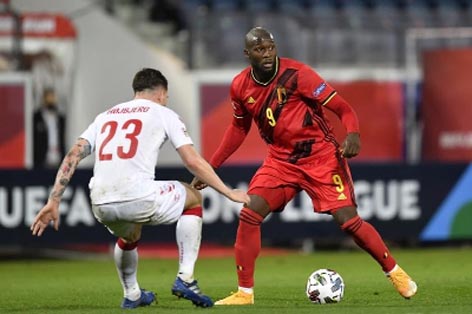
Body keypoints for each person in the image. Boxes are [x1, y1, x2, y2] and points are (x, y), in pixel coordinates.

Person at [191, 27, 417, 305]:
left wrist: (353, 134)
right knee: (250, 214)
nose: (267, 54)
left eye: (270, 48)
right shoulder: (240, 86)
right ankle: (244, 293)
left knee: (348, 222)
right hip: (281, 160)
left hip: (321, 157)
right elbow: (238, 128)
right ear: (247, 54)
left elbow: (344, 109)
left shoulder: (298, 75)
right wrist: (211, 168)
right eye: (260, 50)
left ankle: (395, 272)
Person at [30, 68, 250, 309]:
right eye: (166, 96)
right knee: (194, 198)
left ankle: (132, 294)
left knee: (130, 234)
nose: (166, 100)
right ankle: (185, 278)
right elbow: (193, 161)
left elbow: (73, 155)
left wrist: (54, 200)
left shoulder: (105, 116)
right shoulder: (163, 112)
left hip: (101, 203)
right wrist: (228, 192)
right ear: (161, 93)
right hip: (137, 196)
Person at [33, 87, 66, 168]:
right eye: (48, 97)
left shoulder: (60, 118)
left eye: (52, 97)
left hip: (58, 158)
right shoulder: (36, 118)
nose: (50, 100)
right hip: (41, 160)